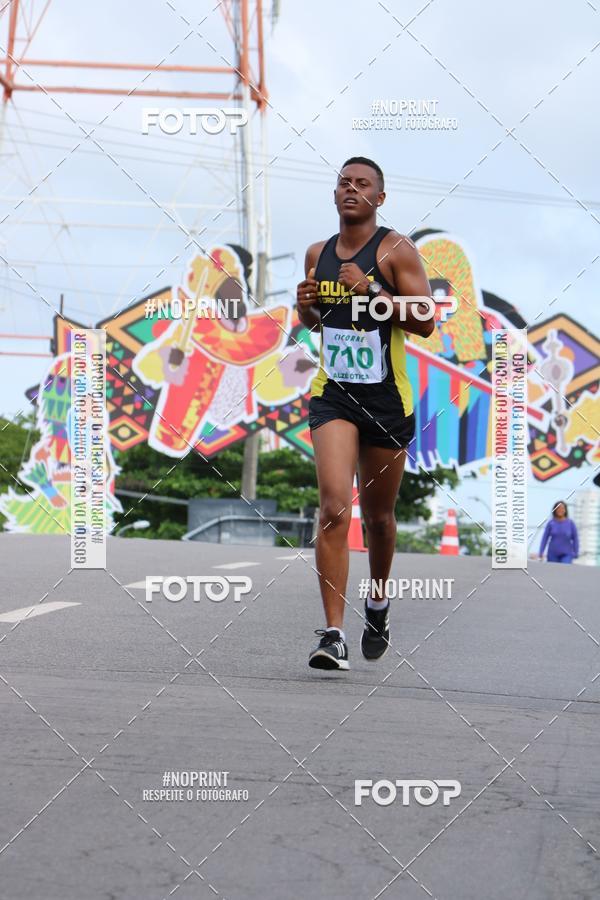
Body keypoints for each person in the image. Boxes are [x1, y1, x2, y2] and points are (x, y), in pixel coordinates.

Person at [296, 157, 435, 670]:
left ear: (380, 197)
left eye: (363, 184)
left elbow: (426, 320)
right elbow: (314, 323)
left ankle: (377, 604)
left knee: (378, 518)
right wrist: (305, 305)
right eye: (343, 182)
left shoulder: (395, 250)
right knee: (334, 505)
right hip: (333, 393)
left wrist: (373, 291)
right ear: (335, 195)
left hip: (386, 400)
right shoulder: (318, 254)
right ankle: (333, 634)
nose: (351, 189)